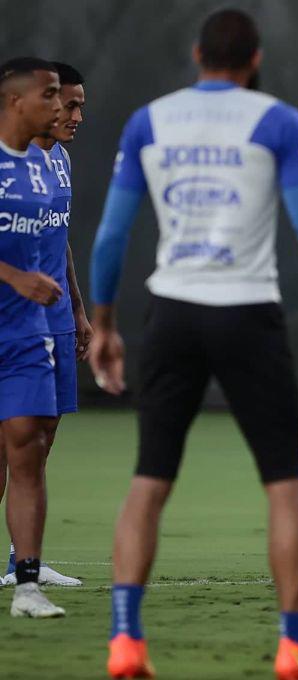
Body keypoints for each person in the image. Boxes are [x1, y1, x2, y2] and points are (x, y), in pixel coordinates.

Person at [88, 9, 298, 679]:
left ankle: (125, 640)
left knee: (148, 479)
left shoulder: (149, 121)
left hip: (171, 313)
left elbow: (110, 236)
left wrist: (103, 324)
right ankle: (294, 647)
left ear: (197, 55)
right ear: (256, 59)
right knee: (283, 483)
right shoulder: (277, 120)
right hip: (246, 313)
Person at [1, 60, 92, 588]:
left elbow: (60, 238)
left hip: (53, 315)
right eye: (65, 103)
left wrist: (76, 308)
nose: (73, 114)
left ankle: (23, 560)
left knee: (42, 435)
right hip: (12, 317)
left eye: (77, 105)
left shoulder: (58, 160)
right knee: (8, 441)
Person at [0, 56, 67, 618]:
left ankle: (26, 586)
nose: (59, 106)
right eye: (49, 95)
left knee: (29, 447)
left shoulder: (46, 167)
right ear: (15, 101)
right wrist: (14, 277)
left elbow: (50, 248)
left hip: (26, 334)